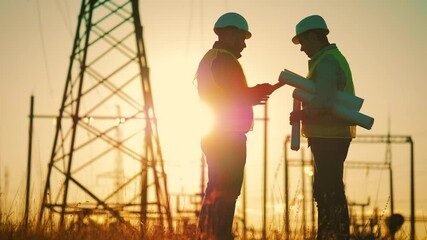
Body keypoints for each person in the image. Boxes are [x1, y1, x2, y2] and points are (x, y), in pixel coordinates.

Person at [195, 12, 277, 240]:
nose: (243, 44)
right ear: (227, 34)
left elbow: (230, 94)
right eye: (241, 38)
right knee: (226, 190)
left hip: (217, 132)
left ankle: (209, 234)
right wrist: (256, 92)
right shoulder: (223, 59)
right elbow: (236, 94)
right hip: (226, 136)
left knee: (217, 189)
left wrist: (255, 93)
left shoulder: (214, 58)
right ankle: (218, 235)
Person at [289, 15, 356, 240]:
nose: (301, 49)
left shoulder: (327, 61)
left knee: (328, 191)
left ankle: (332, 235)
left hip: (330, 136)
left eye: (302, 42)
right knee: (328, 189)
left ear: (313, 36)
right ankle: (332, 234)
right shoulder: (330, 58)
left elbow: (324, 100)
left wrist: (303, 114)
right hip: (329, 135)